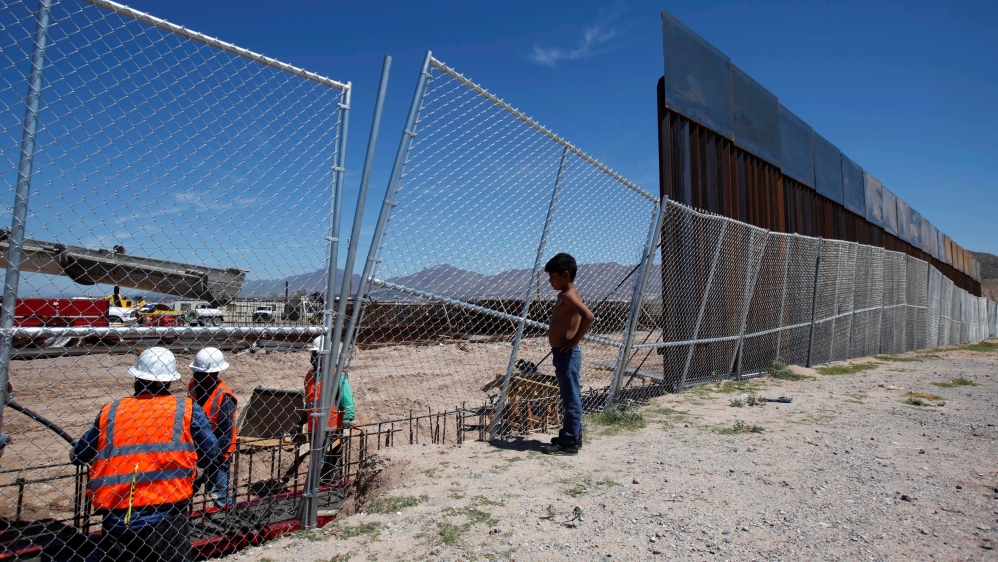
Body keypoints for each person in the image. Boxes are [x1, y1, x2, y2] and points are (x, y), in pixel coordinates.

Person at [71, 347, 217, 562]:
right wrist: (195, 470)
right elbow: (210, 451)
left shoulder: (112, 410)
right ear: (169, 381)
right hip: (168, 513)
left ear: (137, 378)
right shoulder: (185, 408)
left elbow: (80, 455)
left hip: (118, 516)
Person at [540, 253, 594, 456]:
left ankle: (569, 441)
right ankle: (572, 435)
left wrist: (574, 341)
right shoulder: (565, 294)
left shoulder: (569, 295)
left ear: (565, 274)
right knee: (569, 395)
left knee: (571, 398)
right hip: (563, 354)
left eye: (552, 276)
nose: (549, 281)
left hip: (567, 354)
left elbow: (588, 316)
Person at [187, 347, 237, 508]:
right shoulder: (194, 385)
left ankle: (223, 513)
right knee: (192, 487)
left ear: (214, 374)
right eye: (196, 372)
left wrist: (214, 457)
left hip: (219, 449)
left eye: (201, 373)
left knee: (219, 489)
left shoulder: (224, 396)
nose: (196, 375)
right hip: (196, 447)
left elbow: (225, 431)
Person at [303, 336, 355, 479]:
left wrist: (346, 419)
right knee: (316, 459)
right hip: (314, 427)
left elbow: (346, 398)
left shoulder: (337, 374)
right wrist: (299, 422)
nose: (318, 359)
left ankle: (332, 486)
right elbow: (308, 403)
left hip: (331, 427)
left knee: (331, 461)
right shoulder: (310, 376)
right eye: (316, 355)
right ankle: (318, 486)